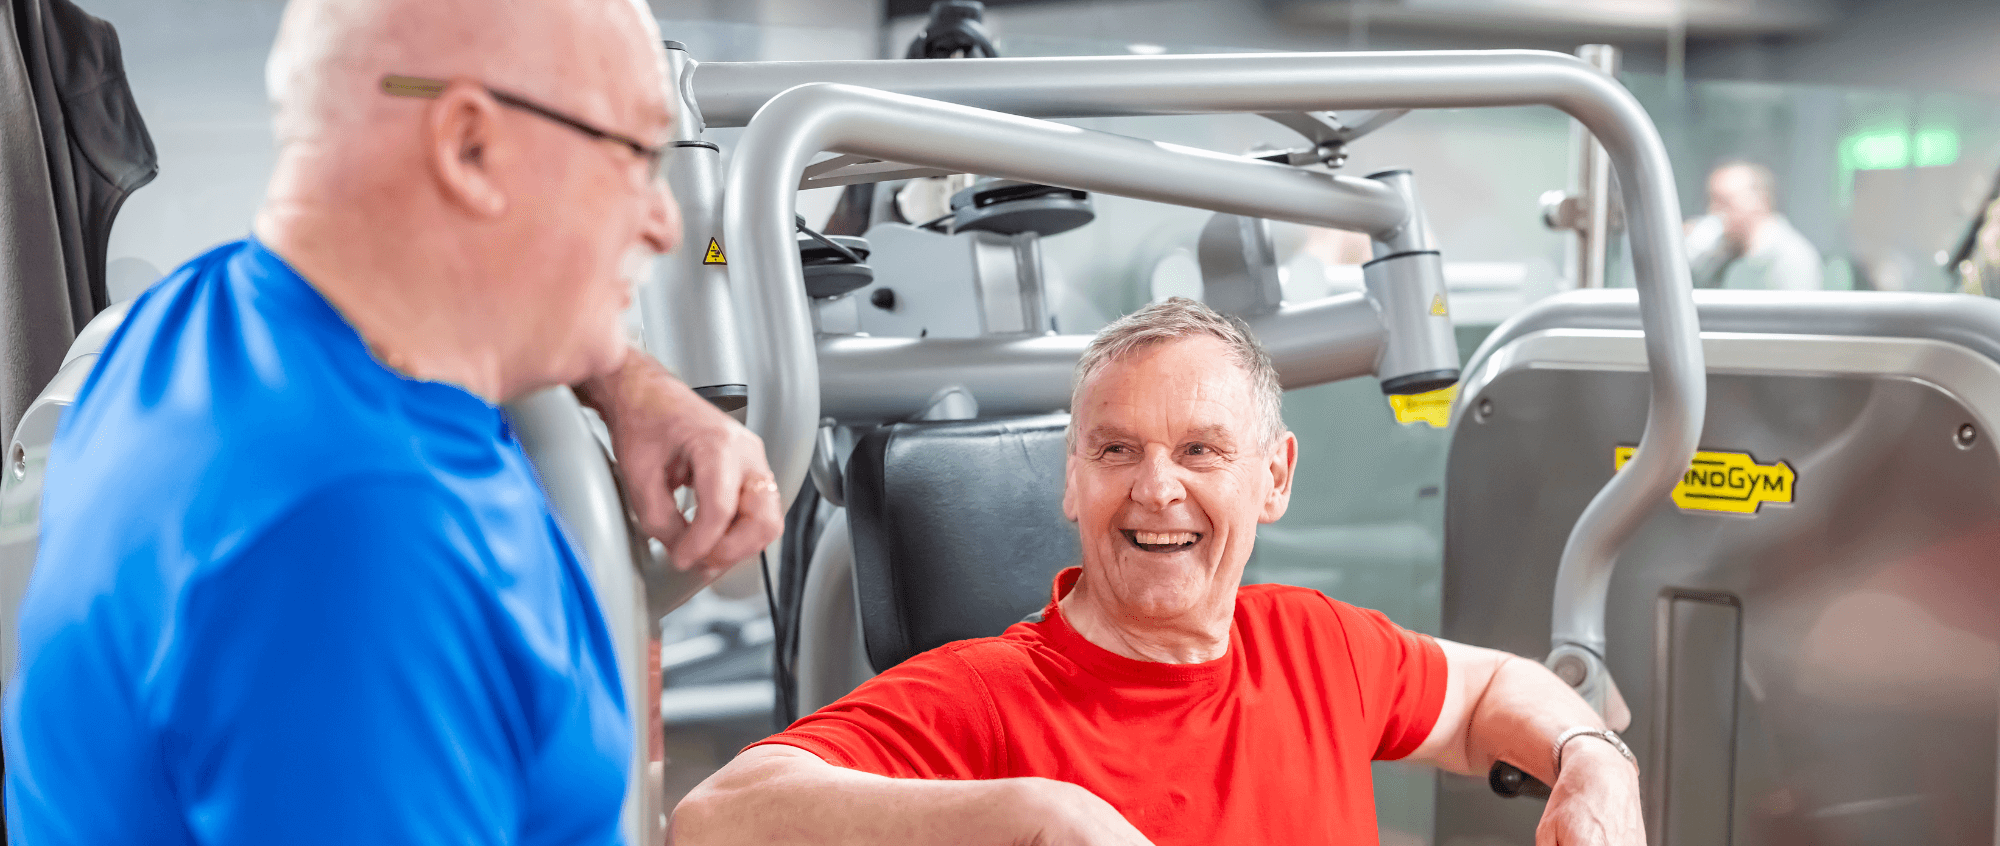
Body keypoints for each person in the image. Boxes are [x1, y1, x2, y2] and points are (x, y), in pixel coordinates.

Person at [2, 0, 785, 842]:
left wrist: (627, 381)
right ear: (470, 148)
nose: (664, 220)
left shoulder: (189, 330)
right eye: (632, 157)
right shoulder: (354, 543)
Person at [673, 298, 1643, 846]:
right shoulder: (983, 700)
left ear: (1273, 478)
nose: (1155, 490)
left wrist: (1594, 762)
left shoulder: (1314, 645)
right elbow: (712, 818)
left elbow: (1484, 693)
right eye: (1116, 451)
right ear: (1070, 481)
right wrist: (1031, 814)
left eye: (1198, 451)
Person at [1687, 160, 1823, 290]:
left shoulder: (1793, 259)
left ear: (1760, 201)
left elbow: (1797, 312)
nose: (1715, 212)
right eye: (1712, 201)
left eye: (1724, 202)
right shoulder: (1720, 252)